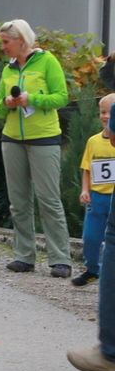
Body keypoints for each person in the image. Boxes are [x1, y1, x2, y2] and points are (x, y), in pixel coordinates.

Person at [0, 19, 72, 278]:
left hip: (44, 138)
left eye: (6, 42)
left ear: (21, 40)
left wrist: (32, 99)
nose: (3, 47)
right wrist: (7, 103)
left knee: (49, 200)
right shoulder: (8, 69)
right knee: (18, 202)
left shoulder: (47, 61)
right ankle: (24, 256)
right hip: (11, 138)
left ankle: (60, 259)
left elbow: (61, 97)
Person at [73, 94, 115, 287]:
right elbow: (87, 169)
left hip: (113, 198)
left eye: (109, 112)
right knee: (90, 237)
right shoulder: (93, 141)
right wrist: (85, 190)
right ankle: (92, 269)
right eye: (102, 112)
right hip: (97, 197)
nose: (105, 116)